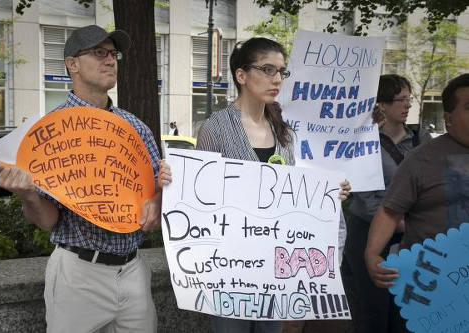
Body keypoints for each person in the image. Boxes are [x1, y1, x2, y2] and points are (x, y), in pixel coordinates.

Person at [158, 37, 351, 333]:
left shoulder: (284, 132)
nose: (277, 79)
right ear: (241, 75)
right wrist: (174, 181)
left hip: (272, 269)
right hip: (228, 270)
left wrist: (327, 195)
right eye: (268, 70)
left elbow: (295, 197)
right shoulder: (216, 127)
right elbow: (198, 196)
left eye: (282, 72)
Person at [0, 25, 162, 333]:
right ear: (72, 64)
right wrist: (28, 195)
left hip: (134, 271)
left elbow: (155, 191)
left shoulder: (136, 127)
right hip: (79, 274)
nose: (110, 60)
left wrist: (158, 199)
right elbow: (48, 221)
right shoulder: (46, 134)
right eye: (99, 52)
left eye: (114, 54)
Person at [365, 73, 469, 290]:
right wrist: (372, 254)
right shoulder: (421, 158)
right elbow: (390, 210)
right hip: (434, 283)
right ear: (448, 119)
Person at [343, 74, 430, 333]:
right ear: (381, 104)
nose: (407, 105)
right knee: (374, 306)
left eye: (408, 99)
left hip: (412, 234)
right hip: (369, 231)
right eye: (400, 100)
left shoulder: (420, 138)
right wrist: (399, 223)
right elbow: (367, 199)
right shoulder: (365, 142)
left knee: (406, 306)